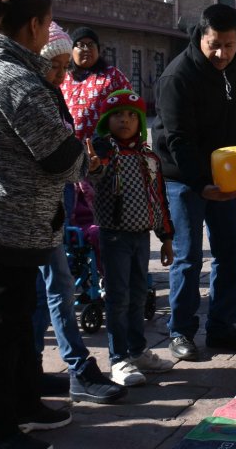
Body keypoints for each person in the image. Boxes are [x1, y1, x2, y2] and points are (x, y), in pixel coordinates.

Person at [0, 0, 83, 449]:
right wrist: (83, 153)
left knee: (18, 315)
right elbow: (61, 158)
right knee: (4, 328)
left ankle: (25, 400)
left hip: (0, 211)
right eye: (47, 23)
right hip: (9, 217)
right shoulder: (15, 80)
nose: (47, 31)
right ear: (33, 25)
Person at [153, 3, 236, 361]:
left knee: (231, 250)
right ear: (201, 36)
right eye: (215, 44)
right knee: (188, 257)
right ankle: (181, 332)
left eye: (229, 45)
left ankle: (221, 326)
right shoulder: (177, 77)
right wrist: (201, 183)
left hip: (224, 176)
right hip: (184, 179)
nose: (221, 53)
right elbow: (178, 140)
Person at [33, 24, 127, 405]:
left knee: (55, 284)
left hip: (66, 189)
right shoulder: (31, 90)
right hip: (36, 203)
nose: (61, 72)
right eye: (55, 64)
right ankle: (70, 367)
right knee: (52, 285)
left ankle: (47, 368)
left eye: (62, 63)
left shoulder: (99, 79)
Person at [87, 89, 178, 386]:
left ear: (140, 121)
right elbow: (92, 176)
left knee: (139, 295)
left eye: (130, 115)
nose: (124, 120)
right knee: (117, 298)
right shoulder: (103, 152)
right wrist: (93, 167)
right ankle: (119, 359)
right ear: (106, 121)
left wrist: (166, 237)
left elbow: (159, 198)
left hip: (142, 237)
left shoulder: (148, 157)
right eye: (117, 115)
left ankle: (138, 351)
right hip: (113, 237)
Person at [61, 26, 132, 141]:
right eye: (80, 45)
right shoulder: (62, 77)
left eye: (91, 44)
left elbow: (131, 108)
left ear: (98, 50)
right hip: (70, 149)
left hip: (105, 149)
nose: (86, 49)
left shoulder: (113, 76)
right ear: (71, 50)